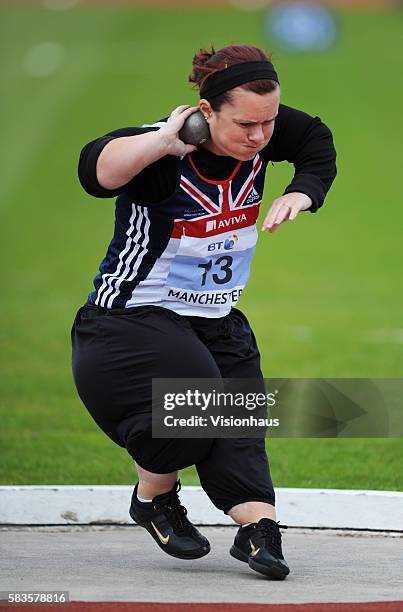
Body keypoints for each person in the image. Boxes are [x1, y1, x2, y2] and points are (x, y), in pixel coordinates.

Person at [72, 44, 336, 580]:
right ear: (206, 111)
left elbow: (315, 143)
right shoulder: (164, 154)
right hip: (132, 317)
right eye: (246, 124)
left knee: (241, 421)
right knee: (198, 397)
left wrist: (303, 194)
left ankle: (258, 531)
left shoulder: (262, 129)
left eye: (269, 122)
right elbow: (95, 171)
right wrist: (160, 143)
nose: (260, 137)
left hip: (215, 317)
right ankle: (155, 496)